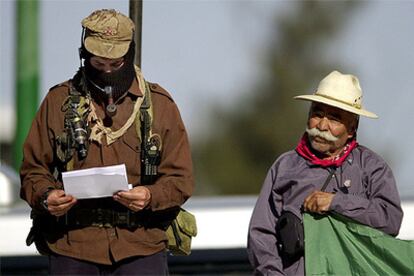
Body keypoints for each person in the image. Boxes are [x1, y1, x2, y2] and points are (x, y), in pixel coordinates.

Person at [20, 9, 194, 275]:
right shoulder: (57, 102)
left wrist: (149, 196)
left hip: (141, 246)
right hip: (72, 247)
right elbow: (33, 171)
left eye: (116, 64)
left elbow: (180, 179)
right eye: (99, 64)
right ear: (84, 55)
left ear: (130, 54)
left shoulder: (159, 105)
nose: (107, 72)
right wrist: (47, 197)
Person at [247, 70, 403, 275]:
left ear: (352, 128)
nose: (321, 125)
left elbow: (390, 220)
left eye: (335, 118)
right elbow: (261, 235)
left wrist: (335, 202)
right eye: (317, 114)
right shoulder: (285, 166)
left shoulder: (372, 168)